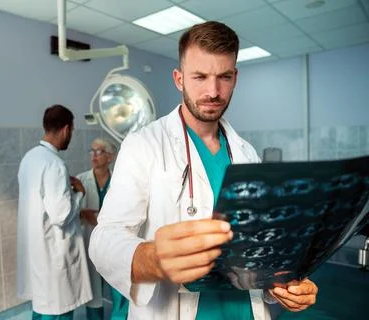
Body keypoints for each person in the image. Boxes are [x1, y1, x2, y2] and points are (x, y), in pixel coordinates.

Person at [89, 21, 318, 320]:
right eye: (199, 77)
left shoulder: (245, 152)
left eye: (223, 77)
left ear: (235, 77)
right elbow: (104, 238)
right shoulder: (143, 145)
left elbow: (259, 246)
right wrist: (153, 259)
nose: (213, 91)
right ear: (179, 78)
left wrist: (280, 285)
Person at [17, 104, 92, 320]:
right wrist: (79, 193)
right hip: (54, 251)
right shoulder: (55, 164)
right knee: (59, 309)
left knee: (41, 308)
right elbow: (61, 216)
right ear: (66, 129)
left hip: (37, 249)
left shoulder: (29, 158)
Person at [76, 138, 129, 320]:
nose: (94, 156)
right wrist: (82, 213)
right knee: (94, 294)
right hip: (91, 241)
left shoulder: (121, 181)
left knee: (120, 290)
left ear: (110, 157)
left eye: (99, 152)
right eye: (92, 151)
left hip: (115, 244)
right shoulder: (81, 180)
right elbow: (70, 211)